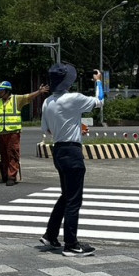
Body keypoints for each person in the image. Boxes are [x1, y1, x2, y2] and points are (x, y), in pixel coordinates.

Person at [40, 63, 103, 257]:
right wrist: (99, 82)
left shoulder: (47, 102)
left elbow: (47, 130)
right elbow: (99, 101)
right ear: (67, 81)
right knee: (74, 200)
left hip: (58, 150)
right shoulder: (73, 98)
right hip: (72, 151)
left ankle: (50, 235)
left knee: (66, 195)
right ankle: (71, 244)